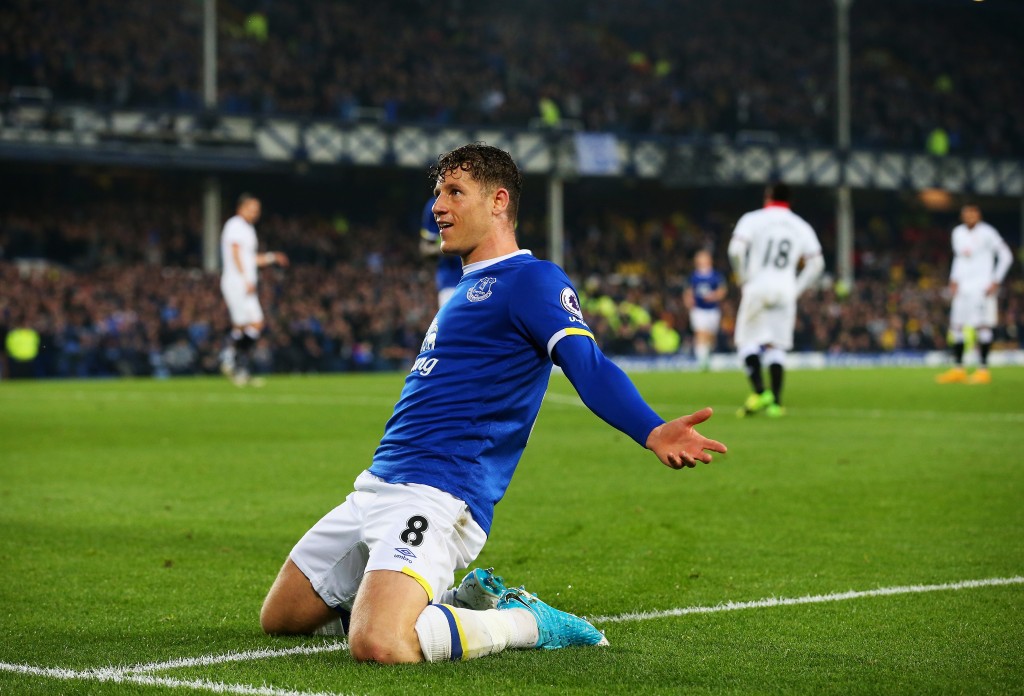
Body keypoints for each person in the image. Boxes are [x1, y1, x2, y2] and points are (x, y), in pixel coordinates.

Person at [259, 143, 727, 664]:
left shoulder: (532, 280)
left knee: (379, 643)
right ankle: (450, 605)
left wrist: (652, 429)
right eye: (438, 192)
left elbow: (588, 364)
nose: (438, 206)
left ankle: (525, 621)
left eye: (454, 192)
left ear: (499, 201)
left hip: (439, 492)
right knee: (282, 618)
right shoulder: (466, 287)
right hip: (379, 483)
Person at [728, 182, 824, 417]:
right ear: (790, 200)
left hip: (757, 286)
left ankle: (760, 392)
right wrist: (796, 289)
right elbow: (817, 264)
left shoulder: (752, 219)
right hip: (785, 290)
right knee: (776, 345)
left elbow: (735, 251)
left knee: (747, 342)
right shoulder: (800, 226)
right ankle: (776, 403)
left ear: (767, 196)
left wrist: (743, 277)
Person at [935, 202, 1013, 384]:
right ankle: (958, 369)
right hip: (962, 287)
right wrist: (953, 279)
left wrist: (996, 280)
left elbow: (1006, 256)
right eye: (967, 213)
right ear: (962, 216)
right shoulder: (958, 233)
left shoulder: (988, 232)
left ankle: (983, 370)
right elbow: (959, 258)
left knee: (982, 326)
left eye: (973, 213)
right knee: (956, 326)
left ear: (979, 215)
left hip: (982, 287)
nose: (970, 216)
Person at [219, 193, 288, 386]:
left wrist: (273, 257)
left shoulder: (249, 229)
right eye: (251, 208)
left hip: (246, 283)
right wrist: (244, 278)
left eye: (257, 209)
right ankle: (234, 363)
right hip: (236, 282)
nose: (255, 213)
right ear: (240, 208)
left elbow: (250, 258)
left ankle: (231, 359)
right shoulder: (234, 225)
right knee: (243, 325)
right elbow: (234, 253)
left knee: (254, 324)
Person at [683, 249, 727, 370]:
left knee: (711, 336)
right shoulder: (694, 276)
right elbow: (688, 291)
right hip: (699, 309)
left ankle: (708, 357)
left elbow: (722, 291)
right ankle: (702, 362)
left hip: (712, 310)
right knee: (700, 333)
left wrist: (713, 296)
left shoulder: (716, 275)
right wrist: (688, 301)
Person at [419, 195, 464, 308]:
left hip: (484, 276)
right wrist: (446, 248)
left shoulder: (480, 199)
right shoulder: (435, 205)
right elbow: (425, 247)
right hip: (451, 281)